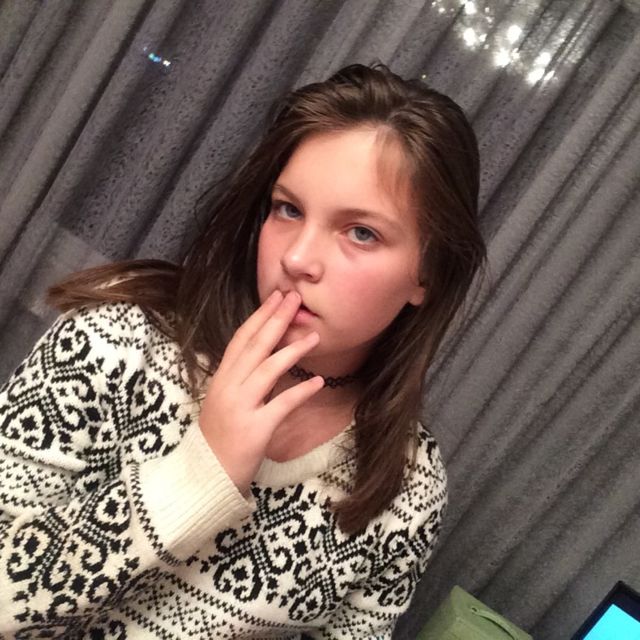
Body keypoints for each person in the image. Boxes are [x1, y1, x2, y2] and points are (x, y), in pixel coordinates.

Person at [0, 63, 486, 638]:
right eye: (288, 209)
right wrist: (198, 472)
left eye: (361, 232)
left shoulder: (408, 485)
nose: (297, 258)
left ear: (427, 274)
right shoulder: (116, 342)